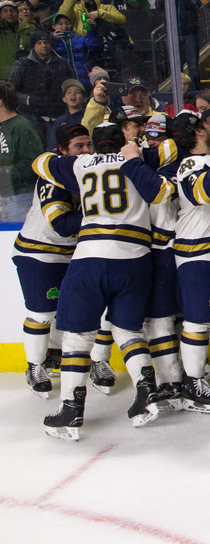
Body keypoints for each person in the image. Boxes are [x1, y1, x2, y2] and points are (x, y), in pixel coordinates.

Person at [33, 122, 169, 441]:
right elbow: (170, 149)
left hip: (90, 257)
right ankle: (146, 391)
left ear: (94, 144)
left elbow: (39, 162)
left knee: (78, 338)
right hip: (135, 258)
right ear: (121, 141)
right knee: (129, 331)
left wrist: (69, 159)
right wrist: (136, 149)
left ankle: (71, 409)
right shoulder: (138, 159)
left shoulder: (80, 163)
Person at [14, 123, 92, 398]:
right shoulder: (52, 176)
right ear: (61, 150)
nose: (85, 151)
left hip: (71, 253)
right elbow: (61, 224)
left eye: (88, 144)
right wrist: (102, 216)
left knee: (71, 311)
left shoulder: (88, 170)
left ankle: (54, 355)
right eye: (78, 147)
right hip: (39, 253)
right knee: (43, 313)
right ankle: (34, 365)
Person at [167, 109, 210, 412]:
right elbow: (201, 193)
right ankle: (192, 382)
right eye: (206, 123)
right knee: (197, 320)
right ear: (196, 132)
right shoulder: (190, 164)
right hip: (198, 252)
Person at [8, 30, 77, 141]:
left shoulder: (62, 63)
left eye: (46, 42)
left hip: (58, 114)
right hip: (30, 115)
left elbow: (73, 85)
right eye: (39, 43)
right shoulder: (22, 64)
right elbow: (11, 90)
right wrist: (28, 100)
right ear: (33, 46)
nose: (44, 46)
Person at [0, 82, 44, 222]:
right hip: (5, 196)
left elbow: (32, 162)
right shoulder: (3, 127)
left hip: (22, 196)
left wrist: (4, 173)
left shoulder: (22, 126)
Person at [156, 0, 202, 85]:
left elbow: (196, 5)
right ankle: (179, 95)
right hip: (172, 33)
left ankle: (195, 93)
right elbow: (159, 5)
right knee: (176, 68)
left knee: (193, 67)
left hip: (189, 33)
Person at [0, 0, 32, 80]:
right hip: (2, 76)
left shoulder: (29, 30)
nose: (9, 14)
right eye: (5, 11)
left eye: (12, 10)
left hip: (25, 75)